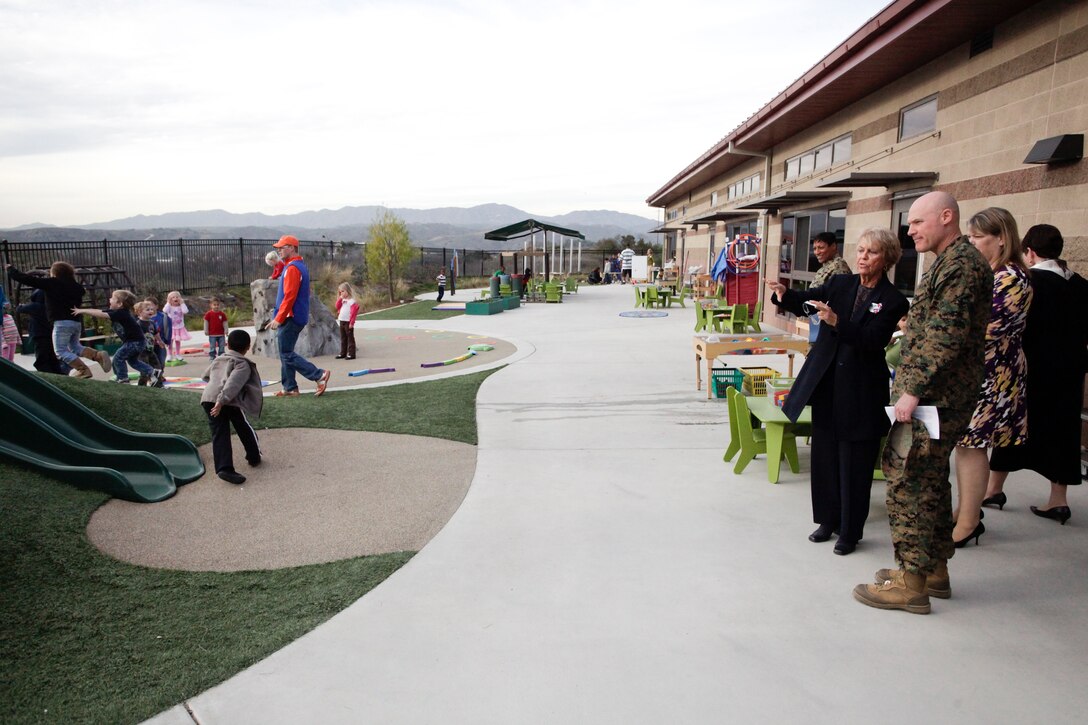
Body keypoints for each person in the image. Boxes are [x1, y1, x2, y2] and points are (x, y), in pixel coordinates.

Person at [853, 191, 992, 614]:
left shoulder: (961, 266)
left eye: (917, 222)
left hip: (934, 396)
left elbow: (945, 336)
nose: (909, 230)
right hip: (938, 394)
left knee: (908, 480)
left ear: (946, 217)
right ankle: (932, 570)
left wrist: (911, 391)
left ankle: (910, 583)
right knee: (929, 480)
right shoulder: (951, 262)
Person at [768, 228, 909, 555]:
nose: (863, 257)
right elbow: (811, 298)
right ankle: (827, 520)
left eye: (871, 252)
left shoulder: (893, 300)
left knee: (854, 463)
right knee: (825, 457)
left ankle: (850, 531)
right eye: (860, 250)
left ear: (886, 258)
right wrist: (786, 295)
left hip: (860, 391)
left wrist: (837, 322)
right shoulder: (841, 284)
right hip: (828, 384)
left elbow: (872, 341)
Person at [988, 224, 1088, 524]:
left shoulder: (1028, 281)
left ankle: (993, 490)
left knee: (1014, 427)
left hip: (1031, 367)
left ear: (1029, 251)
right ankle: (1058, 500)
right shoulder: (1082, 285)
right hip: (1070, 371)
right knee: (1064, 431)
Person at [950, 208, 1032, 547]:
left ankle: (969, 521)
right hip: (977, 372)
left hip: (993, 374)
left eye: (978, 237)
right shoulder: (990, 272)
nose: (972, 243)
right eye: (969, 236)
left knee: (972, 446)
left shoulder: (1012, 277)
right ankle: (964, 511)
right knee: (965, 445)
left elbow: (985, 327)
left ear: (1001, 238)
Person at [6, 261, 111, 378]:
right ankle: (97, 355)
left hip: (61, 323)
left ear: (55, 273)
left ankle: (83, 370)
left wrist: (11, 270)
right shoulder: (76, 287)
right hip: (76, 322)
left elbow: (28, 279)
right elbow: (81, 291)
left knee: (60, 351)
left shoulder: (53, 283)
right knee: (75, 347)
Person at [267, 235, 331, 397]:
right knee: (286, 352)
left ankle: (319, 374)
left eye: (282, 247)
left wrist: (279, 318)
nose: (279, 251)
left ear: (291, 248)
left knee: (286, 353)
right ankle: (290, 387)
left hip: (291, 317)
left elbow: (290, 296)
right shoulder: (297, 266)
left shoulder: (293, 268)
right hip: (294, 316)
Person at [200, 329, 263, 485]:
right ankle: (254, 456)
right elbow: (233, 384)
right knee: (243, 426)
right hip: (227, 401)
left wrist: (216, 387)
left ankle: (224, 468)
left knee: (219, 432)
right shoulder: (242, 364)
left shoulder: (219, 358)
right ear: (248, 347)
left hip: (208, 399)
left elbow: (205, 376)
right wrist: (221, 401)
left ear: (228, 345)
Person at [73, 290, 163, 387]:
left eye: (112, 298)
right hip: (138, 342)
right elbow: (99, 311)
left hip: (134, 342)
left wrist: (82, 311)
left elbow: (100, 314)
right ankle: (152, 372)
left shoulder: (120, 313)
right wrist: (81, 310)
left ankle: (123, 379)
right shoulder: (119, 312)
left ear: (120, 304)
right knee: (133, 361)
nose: (109, 299)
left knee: (118, 358)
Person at [807, 232, 852, 343]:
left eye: (821, 248)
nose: (817, 252)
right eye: (815, 248)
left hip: (830, 325)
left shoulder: (839, 266)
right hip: (818, 320)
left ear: (833, 246)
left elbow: (839, 299)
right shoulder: (826, 266)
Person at [18, 288, 66, 374]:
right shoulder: (52, 307)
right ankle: (58, 373)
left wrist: (21, 305)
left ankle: (47, 375)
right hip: (52, 334)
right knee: (52, 357)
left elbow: (19, 309)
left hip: (39, 335)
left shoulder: (35, 306)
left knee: (42, 359)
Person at [135, 300, 167, 386]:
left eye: (151, 309)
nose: (151, 311)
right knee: (144, 369)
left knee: (157, 367)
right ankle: (142, 385)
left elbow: (156, 333)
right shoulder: (138, 324)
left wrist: (160, 341)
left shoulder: (152, 323)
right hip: (142, 351)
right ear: (140, 312)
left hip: (150, 350)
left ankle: (158, 384)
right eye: (147, 310)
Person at [163, 290, 190, 363]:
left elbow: (185, 311)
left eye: (177, 297)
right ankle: (169, 355)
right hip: (171, 327)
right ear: (169, 299)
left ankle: (178, 354)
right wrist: (168, 303)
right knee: (170, 342)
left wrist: (182, 303)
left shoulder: (181, 306)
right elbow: (164, 310)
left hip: (179, 327)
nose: (175, 298)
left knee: (178, 341)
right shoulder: (169, 307)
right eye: (173, 297)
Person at [334, 282, 359, 360]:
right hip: (342, 320)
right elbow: (337, 306)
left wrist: (352, 323)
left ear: (347, 291)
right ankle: (343, 353)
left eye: (343, 291)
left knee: (350, 338)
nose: (341, 293)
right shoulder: (342, 300)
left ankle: (351, 354)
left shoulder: (352, 301)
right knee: (343, 338)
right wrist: (340, 299)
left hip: (348, 322)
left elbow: (353, 313)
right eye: (340, 292)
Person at [145, 296, 171, 369]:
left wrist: (167, 341)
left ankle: (160, 373)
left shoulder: (163, 316)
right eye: (146, 306)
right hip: (148, 345)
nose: (148, 307)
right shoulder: (143, 318)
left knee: (161, 362)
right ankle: (151, 374)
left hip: (160, 344)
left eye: (150, 305)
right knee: (149, 363)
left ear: (156, 306)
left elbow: (168, 328)